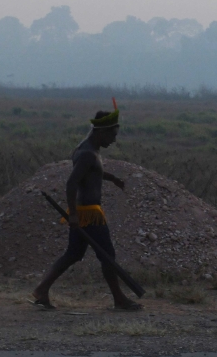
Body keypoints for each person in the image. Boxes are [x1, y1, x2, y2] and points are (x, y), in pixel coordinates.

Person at [31, 99, 141, 311]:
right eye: (113, 135)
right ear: (102, 132)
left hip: (85, 212)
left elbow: (92, 173)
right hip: (89, 214)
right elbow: (72, 182)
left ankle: (42, 289)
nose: (114, 140)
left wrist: (113, 178)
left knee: (73, 254)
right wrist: (72, 214)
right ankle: (119, 300)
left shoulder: (88, 149)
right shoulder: (88, 153)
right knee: (108, 255)